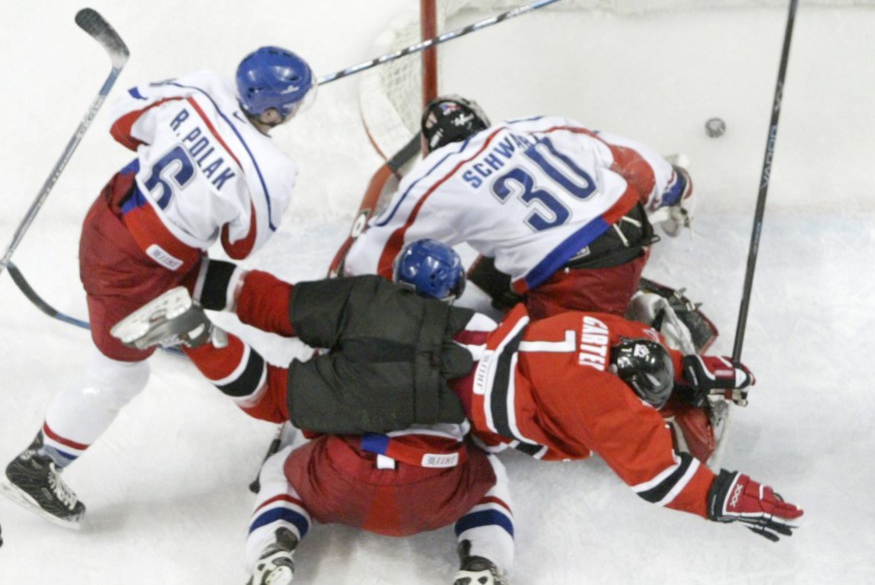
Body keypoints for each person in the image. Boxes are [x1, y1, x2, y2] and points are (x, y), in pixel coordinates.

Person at [114, 248, 802, 560]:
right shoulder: (614, 410)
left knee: (282, 306)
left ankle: (189, 289)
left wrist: (707, 371)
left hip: (409, 321)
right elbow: (664, 480)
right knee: (277, 398)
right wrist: (734, 496)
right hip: (422, 394)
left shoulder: (603, 330)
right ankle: (199, 336)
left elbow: (667, 360)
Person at [1, 46, 316, 528]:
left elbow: (122, 123)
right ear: (274, 111)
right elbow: (241, 241)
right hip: (132, 271)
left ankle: (187, 322)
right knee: (121, 376)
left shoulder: (202, 87)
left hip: (109, 218)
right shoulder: (273, 171)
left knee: (213, 280)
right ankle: (38, 466)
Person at [115, 239, 514, 585]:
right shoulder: (480, 328)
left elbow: (272, 302)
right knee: (490, 474)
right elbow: (497, 427)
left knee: (274, 418)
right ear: (455, 290)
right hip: (434, 482)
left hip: (344, 470)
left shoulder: (363, 295)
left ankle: (273, 549)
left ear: (395, 277)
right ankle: (483, 563)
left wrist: (187, 273)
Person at [341, 95, 696, 320]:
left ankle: (643, 328)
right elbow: (625, 157)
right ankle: (617, 303)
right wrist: (676, 185)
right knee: (493, 259)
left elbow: (368, 259)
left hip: (578, 278)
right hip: (630, 224)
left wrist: (347, 303)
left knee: (545, 370)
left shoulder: (431, 179)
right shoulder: (528, 127)